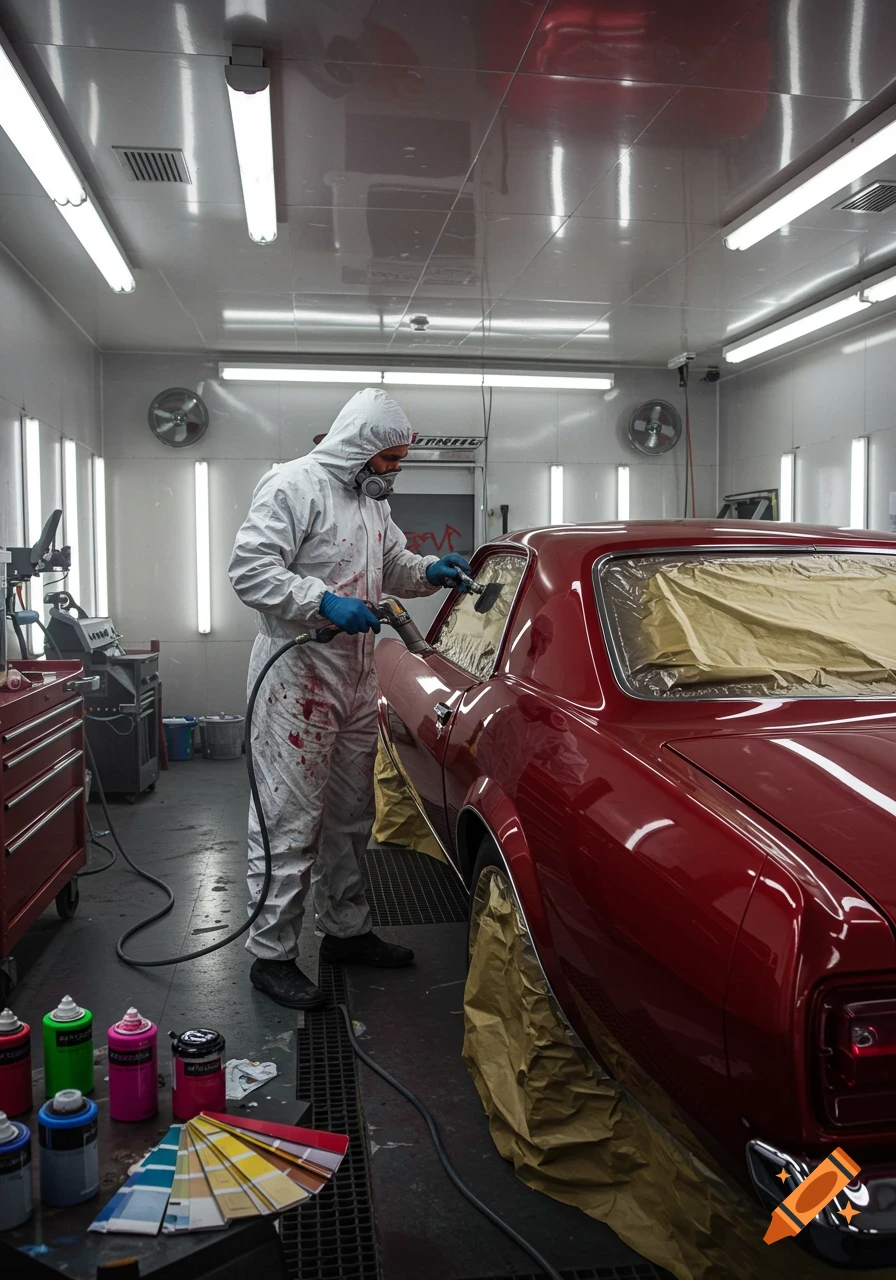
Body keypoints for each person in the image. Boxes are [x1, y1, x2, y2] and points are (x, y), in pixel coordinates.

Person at [228, 388, 471, 1009]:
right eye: (388, 460)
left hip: (356, 677)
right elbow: (250, 570)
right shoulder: (292, 486)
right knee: (289, 820)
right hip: (298, 680)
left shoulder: (368, 503)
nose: (394, 471)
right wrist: (320, 602)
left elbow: (391, 564)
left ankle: (345, 929)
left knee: (350, 814)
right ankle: (272, 954)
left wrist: (428, 571)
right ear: (360, 449)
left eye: (398, 461)